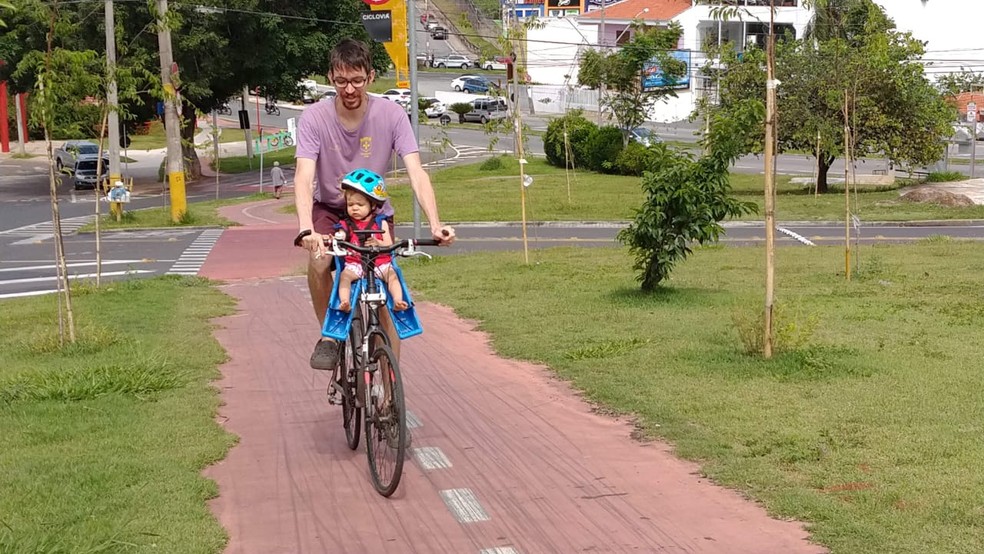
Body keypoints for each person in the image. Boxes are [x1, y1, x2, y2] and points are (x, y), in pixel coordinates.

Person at [293, 38, 455, 371]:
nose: (349, 89)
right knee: (321, 262)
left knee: (383, 289)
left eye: (356, 80)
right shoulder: (314, 118)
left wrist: (435, 224)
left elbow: (416, 172)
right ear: (330, 79)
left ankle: (388, 390)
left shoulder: (392, 114)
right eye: (340, 81)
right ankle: (330, 336)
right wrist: (306, 229)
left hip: (373, 214)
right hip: (329, 211)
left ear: (370, 76)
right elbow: (302, 176)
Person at [334, 169, 407, 313]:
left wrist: (379, 243)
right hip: (356, 264)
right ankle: (345, 302)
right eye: (350, 204)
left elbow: (388, 244)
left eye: (360, 205)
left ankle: (398, 300)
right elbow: (340, 236)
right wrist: (338, 237)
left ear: (373, 205)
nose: (354, 208)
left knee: (392, 276)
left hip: (380, 264)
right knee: (344, 276)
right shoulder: (346, 224)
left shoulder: (380, 223)